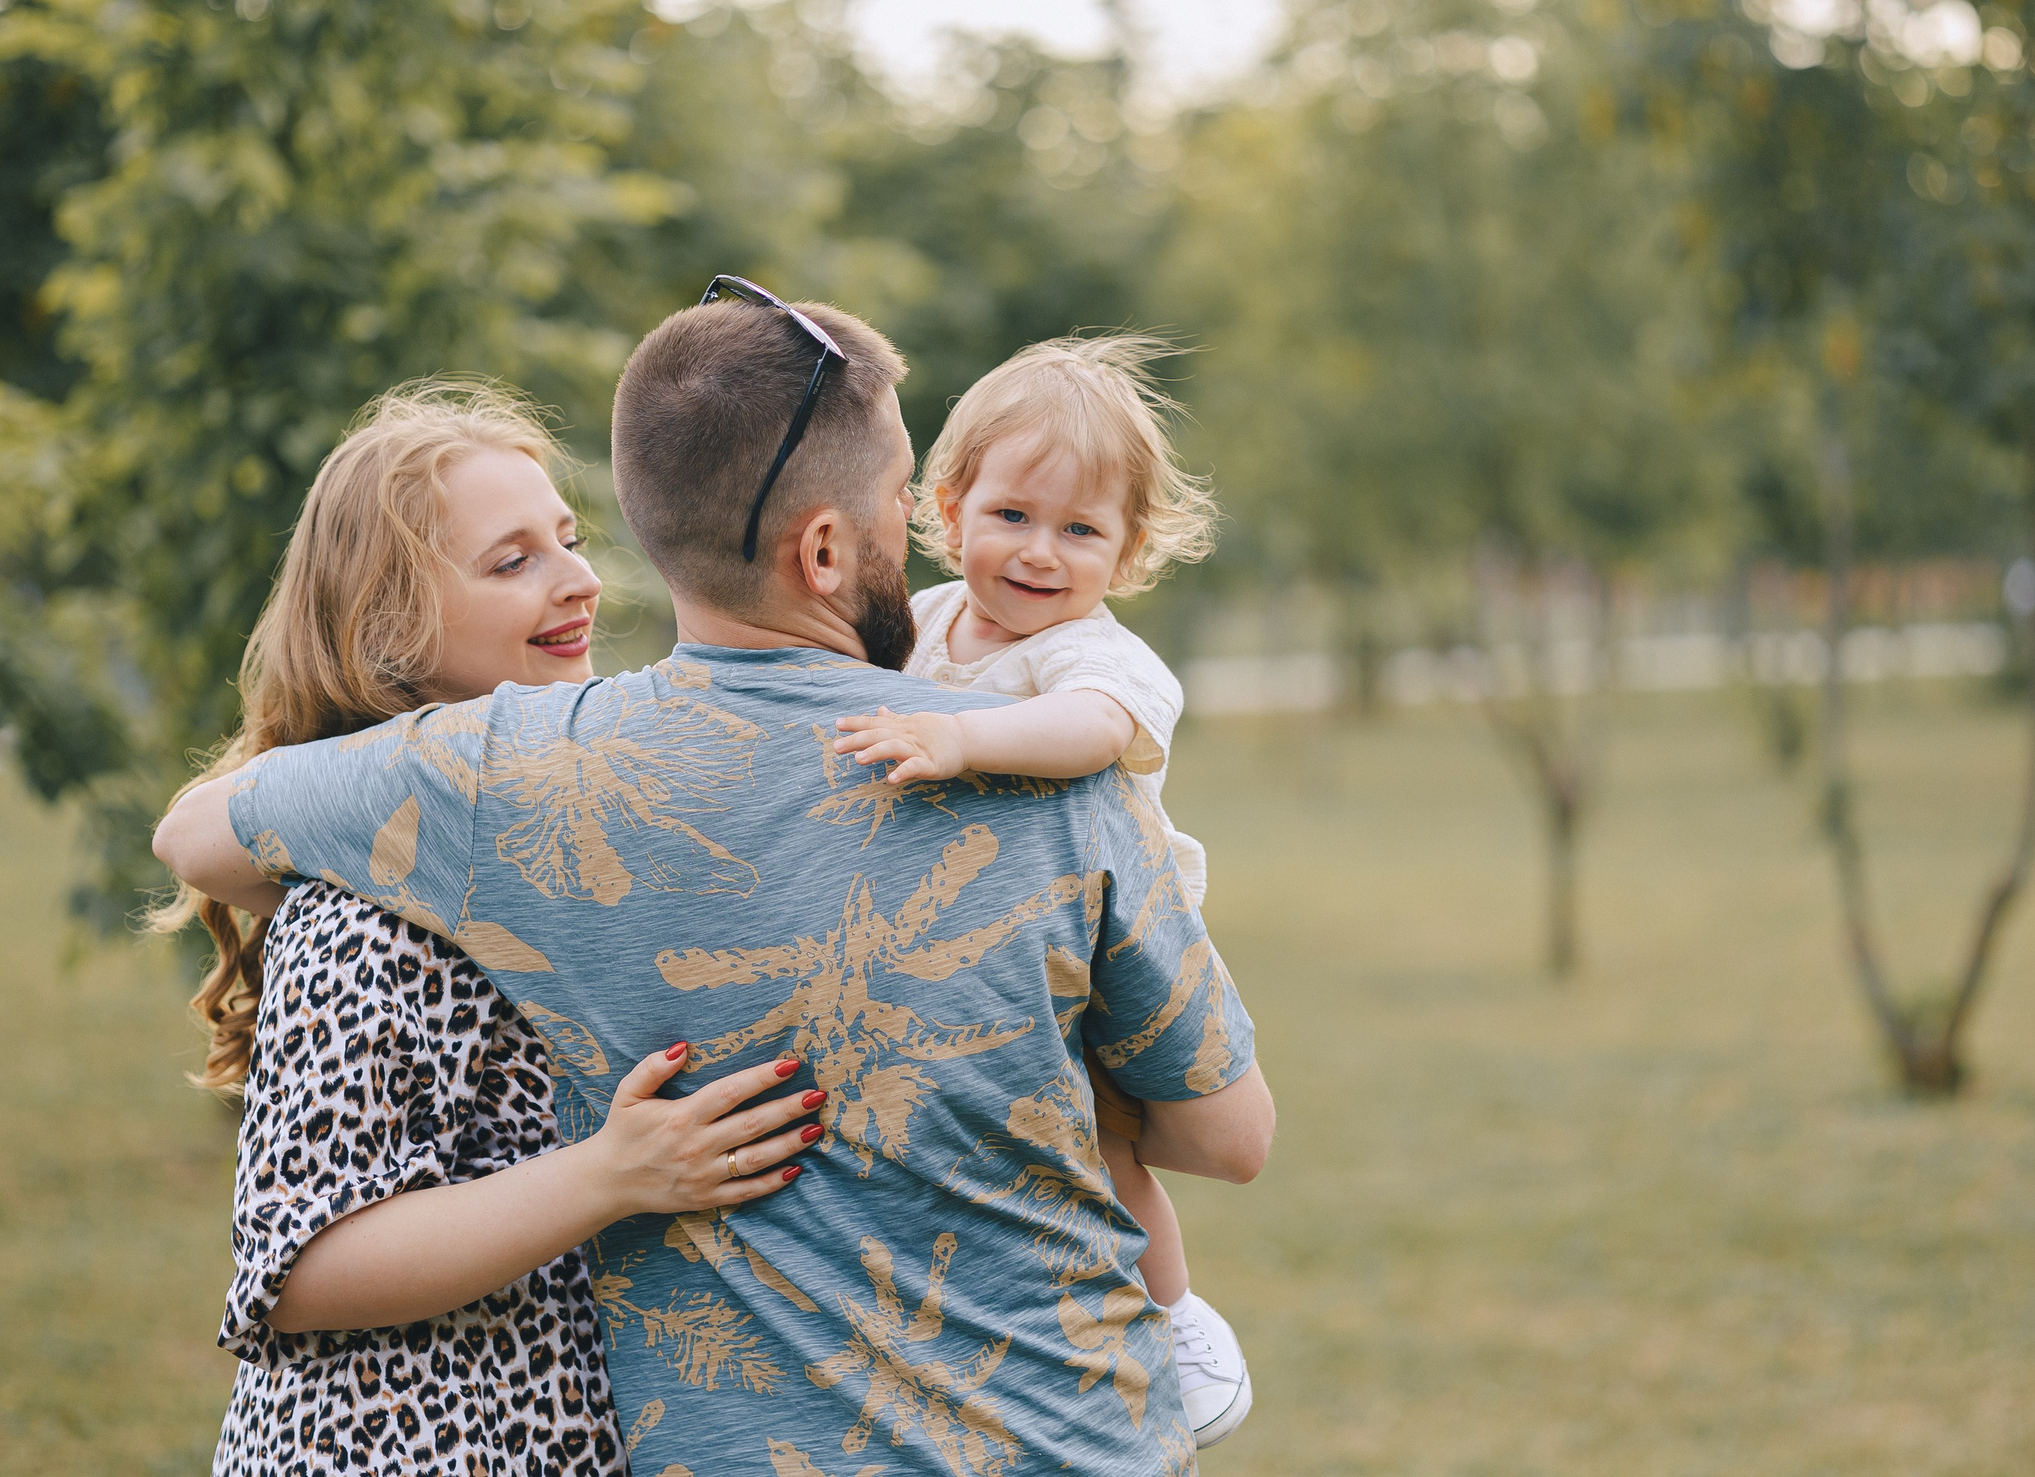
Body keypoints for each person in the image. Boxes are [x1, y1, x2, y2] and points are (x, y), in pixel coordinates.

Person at [155, 285, 1274, 1477]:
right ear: (825, 548)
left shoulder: (496, 775)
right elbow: (1229, 1135)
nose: (917, 528)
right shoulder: (1058, 769)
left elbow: (201, 837)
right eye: (901, 494)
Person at [149, 384, 824, 1476]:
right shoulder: (367, 906)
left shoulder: (546, 834)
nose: (580, 579)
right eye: (511, 562)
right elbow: (303, 1266)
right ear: (387, 628)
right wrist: (609, 1175)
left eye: (568, 540)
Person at [829, 335, 1251, 1446]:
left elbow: (1091, 731)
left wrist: (961, 738)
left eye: (1080, 530)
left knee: (1101, 1141)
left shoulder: (1093, 656)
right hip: (970, 940)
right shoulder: (922, 622)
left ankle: (1175, 1314)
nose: (1039, 553)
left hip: (1103, 953)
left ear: (1129, 549)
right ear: (950, 507)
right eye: (1011, 514)